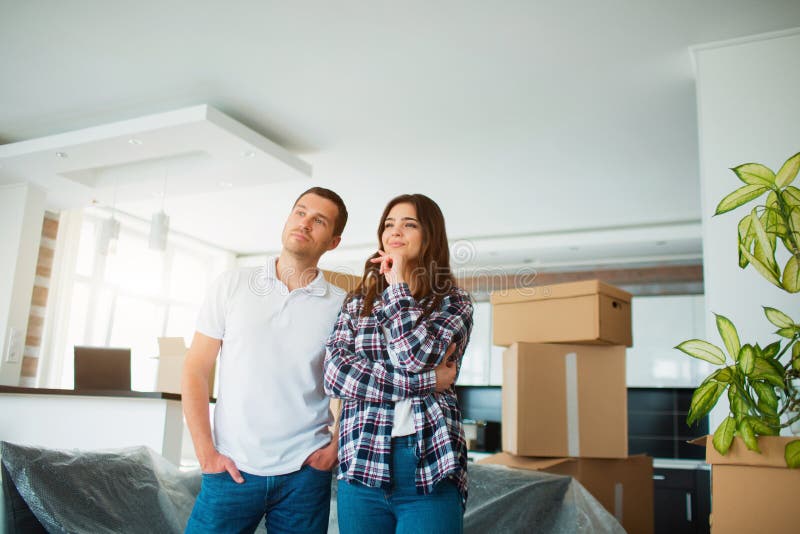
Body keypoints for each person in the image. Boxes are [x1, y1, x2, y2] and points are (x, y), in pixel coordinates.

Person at [182, 187, 348, 534]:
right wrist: (206, 454)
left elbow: (355, 387)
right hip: (230, 469)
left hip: (305, 473)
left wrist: (333, 450)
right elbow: (196, 369)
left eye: (318, 221)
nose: (304, 223)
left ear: (333, 241)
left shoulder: (341, 305)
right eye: (300, 212)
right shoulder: (233, 283)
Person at [323, 193, 474, 534]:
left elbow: (416, 356)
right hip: (362, 460)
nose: (395, 231)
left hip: (428, 465)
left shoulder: (454, 302)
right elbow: (336, 375)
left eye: (409, 224)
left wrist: (398, 289)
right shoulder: (358, 302)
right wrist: (422, 383)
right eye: (389, 224)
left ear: (430, 235)